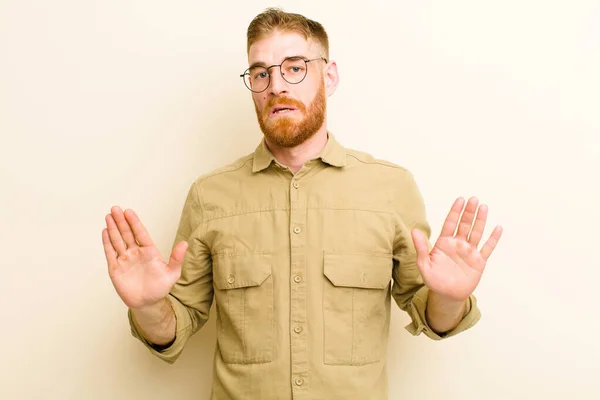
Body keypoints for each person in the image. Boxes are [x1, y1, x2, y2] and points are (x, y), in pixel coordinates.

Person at [102, 8, 503, 400]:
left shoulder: (391, 189)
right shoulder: (210, 196)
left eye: (294, 67)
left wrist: (449, 298)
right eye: (261, 73)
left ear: (328, 76)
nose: (276, 85)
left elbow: (427, 310)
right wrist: (150, 306)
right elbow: (176, 325)